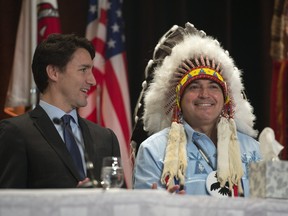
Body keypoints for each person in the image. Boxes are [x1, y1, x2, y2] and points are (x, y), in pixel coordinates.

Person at [132, 23, 262, 197]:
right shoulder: (153, 150)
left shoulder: (254, 150)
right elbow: (141, 211)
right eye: (194, 87)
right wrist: (161, 208)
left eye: (214, 87)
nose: (204, 94)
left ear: (226, 98)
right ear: (178, 99)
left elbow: (272, 208)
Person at [0, 33, 121, 188]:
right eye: (83, 69)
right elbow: (8, 205)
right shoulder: (15, 132)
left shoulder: (106, 138)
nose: (92, 80)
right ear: (54, 72)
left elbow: (118, 203)